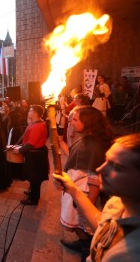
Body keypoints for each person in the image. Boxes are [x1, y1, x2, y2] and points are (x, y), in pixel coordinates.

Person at [53, 133, 140, 262]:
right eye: (106, 160)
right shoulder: (118, 202)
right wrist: (73, 190)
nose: (99, 169)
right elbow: (103, 226)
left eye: (116, 167)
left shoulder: (131, 253)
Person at [59, 106, 113, 259]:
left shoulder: (94, 145)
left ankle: (87, 249)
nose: (72, 122)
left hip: (84, 191)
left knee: (83, 223)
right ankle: (83, 243)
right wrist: (60, 145)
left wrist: (89, 202)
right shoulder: (86, 139)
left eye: (75, 120)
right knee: (77, 224)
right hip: (75, 186)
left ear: (88, 123)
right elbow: (75, 158)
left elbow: (95, 177)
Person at [13, 105, 48, 205]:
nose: (28, 112)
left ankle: (33, 199)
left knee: (35, 177)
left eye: (30, 111)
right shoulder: (36, 123)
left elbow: (31, 143)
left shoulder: (38, 126)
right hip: (34, 154)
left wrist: (19, 151)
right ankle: (32, 192)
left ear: (35, 113)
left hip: (35, 156)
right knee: (33, 177)